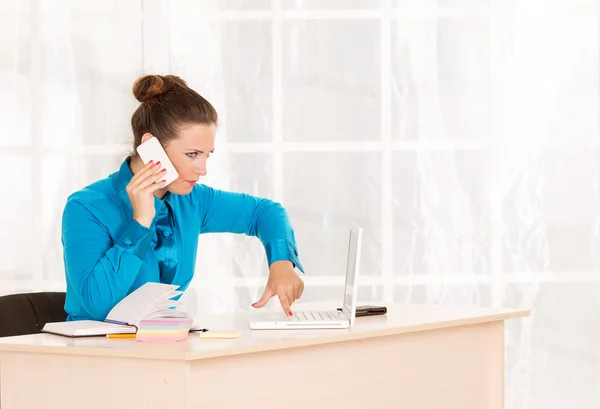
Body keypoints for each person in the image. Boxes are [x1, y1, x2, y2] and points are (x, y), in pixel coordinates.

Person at [61, 74, 305, 322]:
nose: (202, 169)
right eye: (192, 154)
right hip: (96, 353)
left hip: (162, 349)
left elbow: (263, 213)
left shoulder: (192, 200)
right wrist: (140, 222)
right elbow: (98, 304)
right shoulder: (86, 207)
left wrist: (281, 262)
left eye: (207, 155)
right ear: (151, 147)